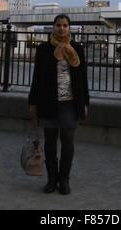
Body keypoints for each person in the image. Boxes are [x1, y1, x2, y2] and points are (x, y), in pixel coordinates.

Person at [28, 14, 90, 195]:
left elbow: (83, 78)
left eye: (65, 25)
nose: (61, 28)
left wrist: (85, 102)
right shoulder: (44, 49)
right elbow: (37, 77)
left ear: (69, 28)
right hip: (47, 101)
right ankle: (51, 179)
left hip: (70, 102)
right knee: (50, 143)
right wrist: (32, 102)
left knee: (68, 141)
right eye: (58, 25)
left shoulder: (76, 48)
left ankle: (64, 180)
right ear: (53, 27)